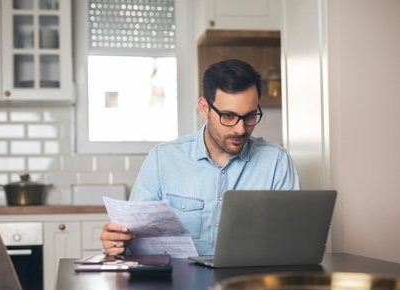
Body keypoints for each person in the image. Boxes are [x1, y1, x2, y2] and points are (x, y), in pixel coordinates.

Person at [100, 59, 300, 256]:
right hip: (178, 284)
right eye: (228, 116)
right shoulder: (162, 160)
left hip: (248, 284)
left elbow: (293, 241)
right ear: (204, 108)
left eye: (249, 116)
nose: (240, 129)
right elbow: (131, 238)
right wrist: (116, 243)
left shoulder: (277, 162)